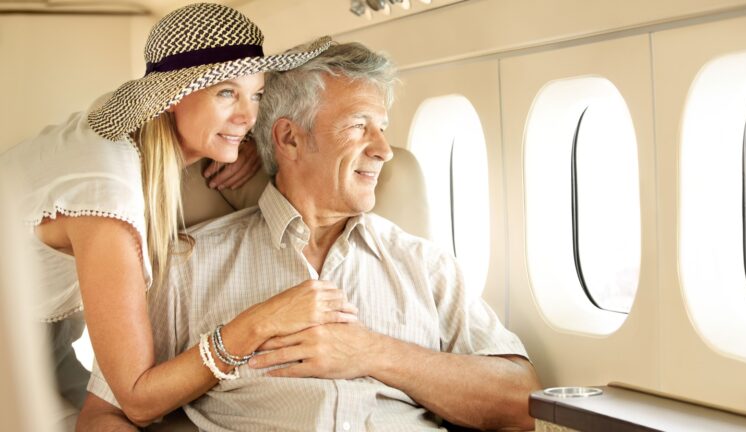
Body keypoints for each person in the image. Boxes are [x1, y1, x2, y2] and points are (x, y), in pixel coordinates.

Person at [80, 41, 541, 431]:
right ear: (290, 139)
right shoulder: (187, 266)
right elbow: (104, 415)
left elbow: (523, 403)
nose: (383, 150)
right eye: (360, 126)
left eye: (382, 128)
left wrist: (374, 353)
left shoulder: (425, 265)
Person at [0, 3, 358, 430]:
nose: (248, 116)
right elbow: (136, 397)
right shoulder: (106, 198)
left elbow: (219, 122)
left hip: (42, 339)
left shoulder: (129, 128)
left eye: (256, 94)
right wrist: (260, 322)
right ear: (170, 98)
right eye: (226, 92)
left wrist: (236, 141)